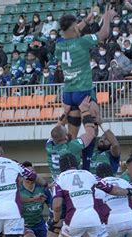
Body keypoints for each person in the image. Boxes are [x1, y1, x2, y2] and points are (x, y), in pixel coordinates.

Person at [34, 99, 97, 237]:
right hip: (73, 195)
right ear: (66, 137)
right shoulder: (72, 147)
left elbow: (55, 132)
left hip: (57, 192)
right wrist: (85, 112)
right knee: (88, 235)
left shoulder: (49, 147)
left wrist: (64, 114)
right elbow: (91, 133)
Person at [55, 9, 116, 144]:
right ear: (73, 29)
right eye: (76, 26)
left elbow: (71, 32)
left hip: (68, 93)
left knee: (71, 136)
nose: (79, 28)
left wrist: (86, 21)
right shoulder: (83, 41)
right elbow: (104, 33)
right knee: (93, 130)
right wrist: (106, 18)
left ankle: (71, 156)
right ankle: (88, 160)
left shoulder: (58, 44)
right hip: (83, 91)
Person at [20, 161, 51, 237]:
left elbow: (51, 205)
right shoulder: (17, 189)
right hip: (24, 225)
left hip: (39, 224)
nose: (31, 173)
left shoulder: (42, 188)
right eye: (28, 172)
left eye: (32, 171)